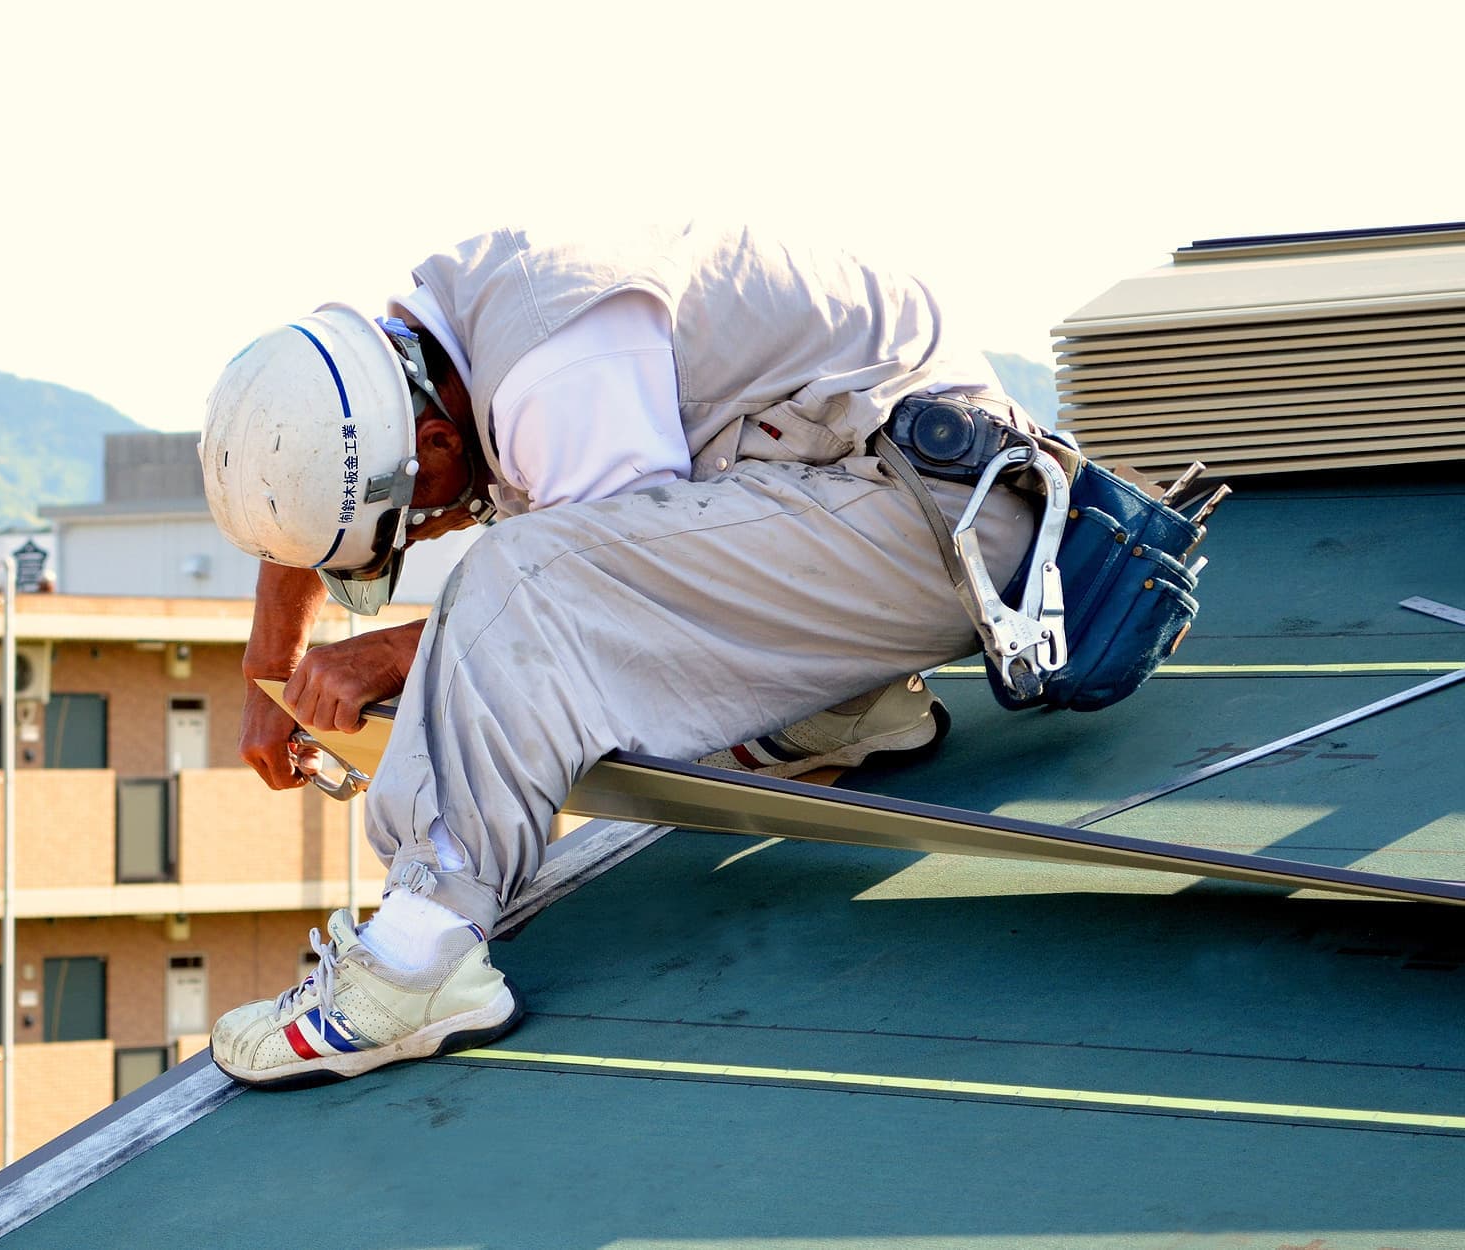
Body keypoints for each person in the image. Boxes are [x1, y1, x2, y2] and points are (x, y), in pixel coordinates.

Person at [197, 224, 1045, 1088]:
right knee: (535, 560)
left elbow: (586, 603)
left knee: (522, 571)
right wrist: (270, 667)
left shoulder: (557, 379)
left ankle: (420, 960)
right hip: (894, 500)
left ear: (440, 446)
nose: (430, 534)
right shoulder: (437, 333)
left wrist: (396, 653)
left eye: (407, 527)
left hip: (946, 530)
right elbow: (325, 463)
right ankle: (843, 707)